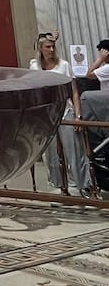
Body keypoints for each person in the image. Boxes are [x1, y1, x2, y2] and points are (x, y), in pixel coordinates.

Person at [30, 33, 94, 197]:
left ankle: (82, 185)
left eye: (53, 47)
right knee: (51, 151)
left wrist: (78, 115)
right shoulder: (34, 67)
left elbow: (74, 92)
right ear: (40, 49)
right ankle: (59, 184)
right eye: (47, 47)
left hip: (65, 111)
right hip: (46, 114)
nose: (51, 50)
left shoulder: (63, 65)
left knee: (74, 150)